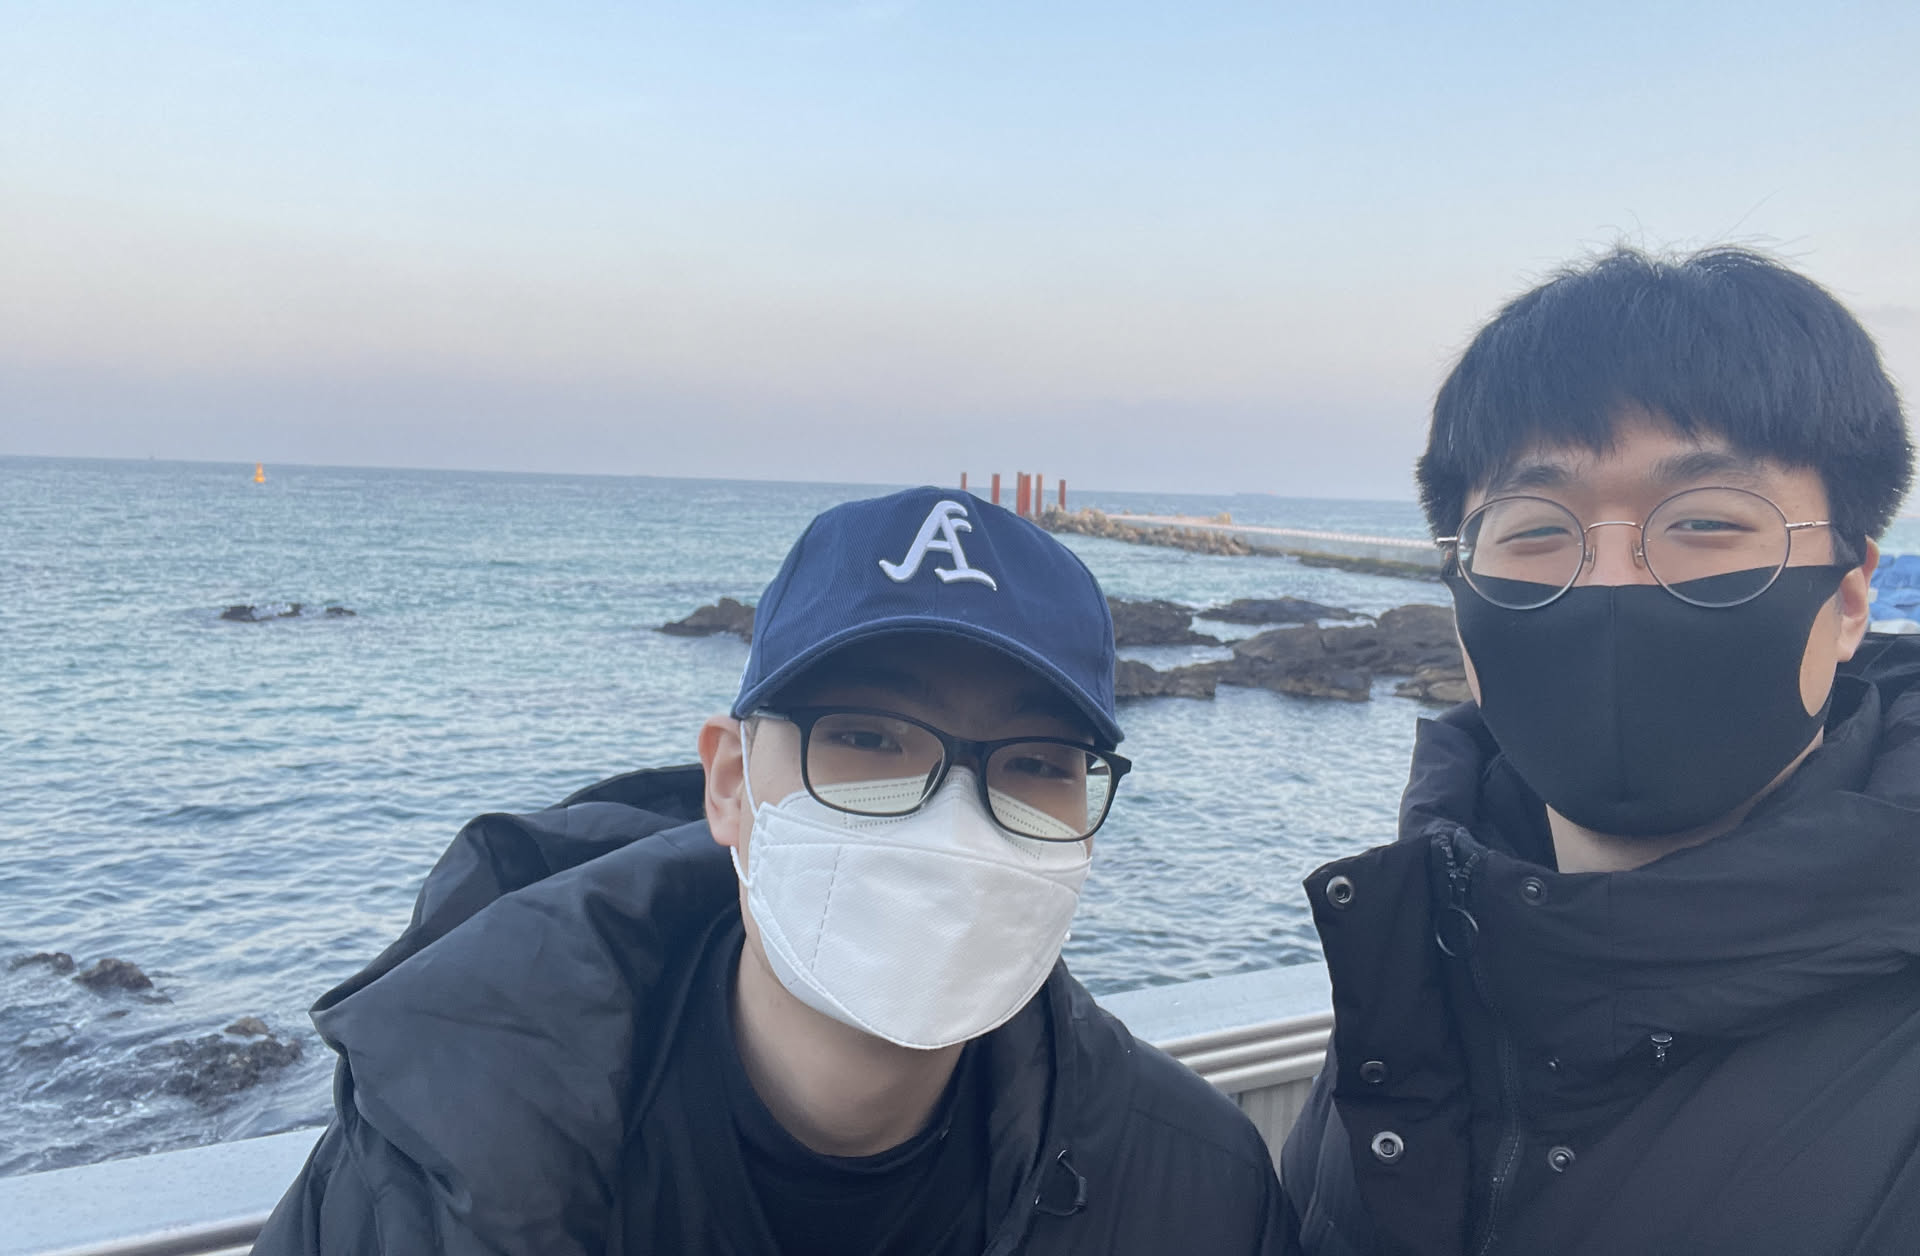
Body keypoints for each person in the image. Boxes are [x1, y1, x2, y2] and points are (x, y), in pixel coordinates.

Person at [254, 487, 1289, 1255]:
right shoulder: (426, 1173)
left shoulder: (1200, 1192)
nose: (953, 822)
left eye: (1038, 764)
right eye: (867, 739)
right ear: (731, 785)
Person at [1279, 247, 1920, 1255]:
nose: (1613, 583)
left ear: (1847, 601)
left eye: (1704, 521)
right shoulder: (1414, 982)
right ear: (1464, 615)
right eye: (1536, 532)